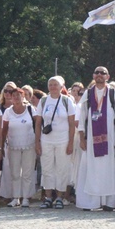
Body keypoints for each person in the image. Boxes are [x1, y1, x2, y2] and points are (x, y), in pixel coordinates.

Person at [76, 67, 115, 211]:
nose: (99, 75)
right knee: (91, 168)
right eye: (96, 72)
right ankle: (90, 202)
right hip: (91, 139)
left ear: (107, 76)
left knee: (109, 169)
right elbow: (82, 117)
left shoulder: (112, 94)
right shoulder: (88, 93)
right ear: (93, 75)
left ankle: (108, 202)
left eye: (102, 73)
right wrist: (82, 138)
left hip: (110, 138)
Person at [35, 76, 75, 209]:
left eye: (55, 84)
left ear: (61, 86)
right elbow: (38, 122)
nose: (53, 87)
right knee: (47, 168)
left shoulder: (67, 101)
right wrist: (37, 141)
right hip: (47, 140)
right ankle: (48, 197)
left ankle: (59, 197)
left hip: (63, 140)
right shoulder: (43, 101)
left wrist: (70, 143)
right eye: (50, 84)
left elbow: (71, 123)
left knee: (62, 168)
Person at [1, 88, 38, 208]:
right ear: (11, 97)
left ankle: (26, 198)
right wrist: (1, 145)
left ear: (23, 97)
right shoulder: (8, 112)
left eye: (19, 95)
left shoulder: (30, 109)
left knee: (27, 172)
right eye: (14, 95)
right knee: (15, 172)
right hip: (13, 145)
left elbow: (37, 125)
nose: (16, 97)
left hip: (29, 144)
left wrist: (38, 142)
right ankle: (16, 197)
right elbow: (4, 129)